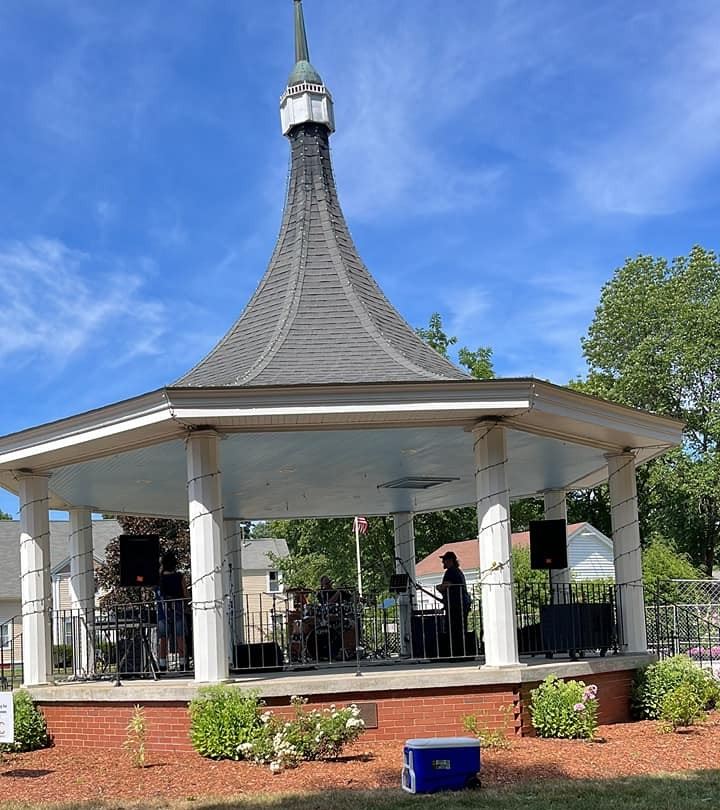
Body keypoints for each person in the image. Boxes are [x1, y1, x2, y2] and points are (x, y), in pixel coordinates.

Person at [156, 550, 189, 672]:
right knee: (180, 637)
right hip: (178, 609)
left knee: (163, 639)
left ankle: (163, 664)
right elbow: (185, 594)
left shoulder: (159, 579)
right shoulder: (179, 577)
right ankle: (183, 663)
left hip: (163, 612)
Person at [436, 551, 471, 658]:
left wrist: (438, 587)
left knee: (454, 630)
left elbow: (445, 586)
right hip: (461, 604)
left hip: (455, 606)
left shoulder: (451, 572)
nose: (443, 562)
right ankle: (461, 653)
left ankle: (455, 653)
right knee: (460, 629)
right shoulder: (458, 572)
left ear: (450, 561)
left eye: (444, 560)